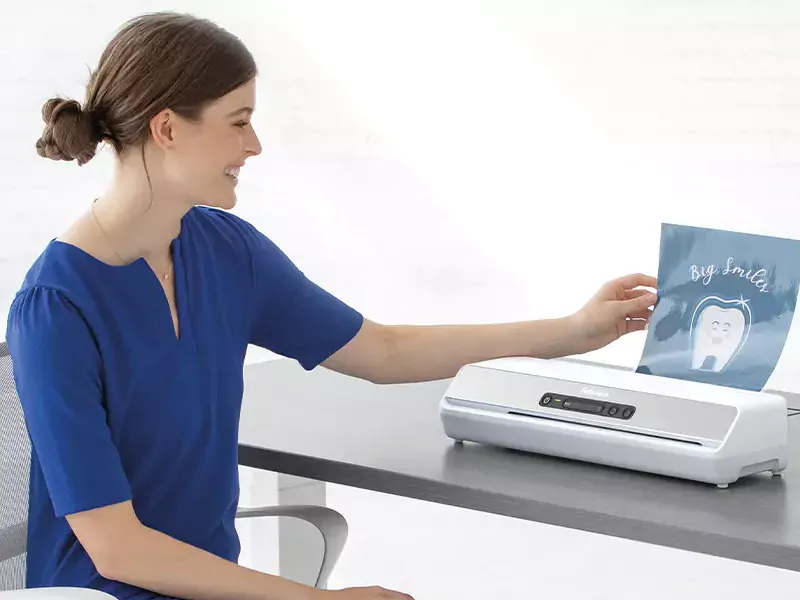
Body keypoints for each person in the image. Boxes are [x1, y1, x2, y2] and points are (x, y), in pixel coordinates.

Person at [5, 11, 658, 600]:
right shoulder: (56, 309)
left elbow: (381, 350)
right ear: (168, 128)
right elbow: (116, 548)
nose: (254, 146)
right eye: (238, 122)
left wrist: (572, 331)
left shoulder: (225, 252)